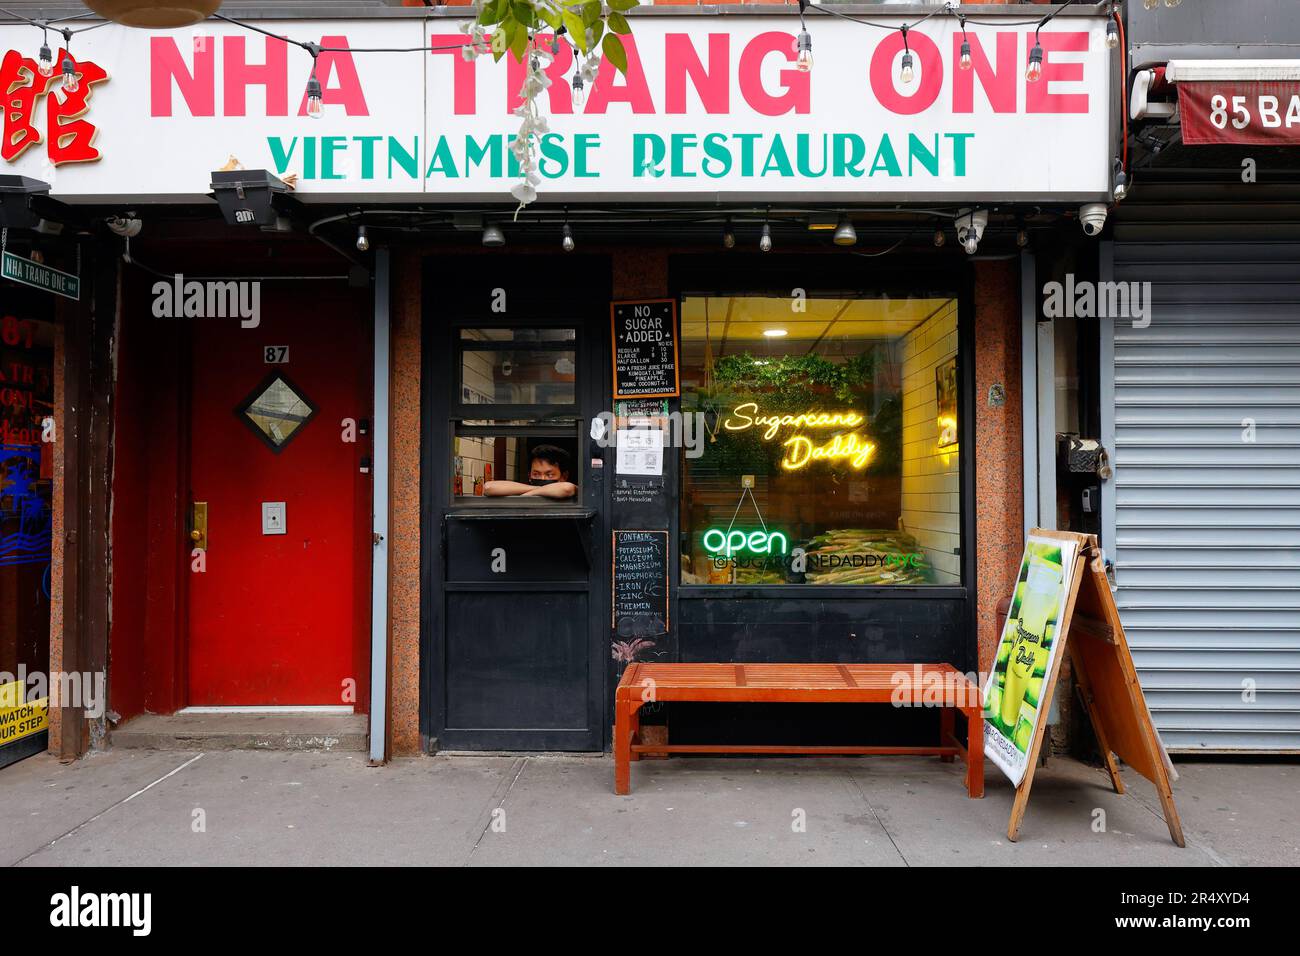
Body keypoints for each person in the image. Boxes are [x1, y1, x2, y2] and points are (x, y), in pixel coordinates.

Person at [484, 444, 577, 499]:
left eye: (550, 475)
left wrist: (527, 495)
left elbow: (566, 488)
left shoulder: (578, 491)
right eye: (536, 474)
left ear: (564, 476)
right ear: (529, 475)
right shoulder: (525, 488)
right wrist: (537, 489)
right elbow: (488, 487)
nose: (542, 478)